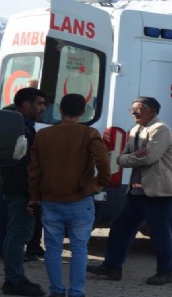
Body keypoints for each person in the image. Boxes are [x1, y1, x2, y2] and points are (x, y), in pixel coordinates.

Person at [87, 96, 172, 285]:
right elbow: (122, 158)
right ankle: (112, 267)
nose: (134, 112)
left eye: (139, 109)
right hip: (136, 193)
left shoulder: (160, 129)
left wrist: (130, 158)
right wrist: (130, 157)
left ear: (152, 111)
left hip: (158, 193)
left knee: (160, 234)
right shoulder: (136, 130)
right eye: (132, 109)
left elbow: (148, 159)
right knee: (120, 228)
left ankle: (166, 272)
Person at [28, 94, 111, 297]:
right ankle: (76, 292)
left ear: (60, 110)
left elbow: (34, 170)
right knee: (79, 248)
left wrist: (34, 196)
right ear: (83, 112)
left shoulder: (43, 135)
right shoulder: (89, 133)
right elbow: (103, 161)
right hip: (80, 198)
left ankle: (56, 290)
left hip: (50, 199)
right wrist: (100, 183)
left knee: (53, 248)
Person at [0, 87, 47, 296]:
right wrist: (32, 194)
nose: (43, 108)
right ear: (26, 104)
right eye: (39, 103)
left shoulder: (16, 123)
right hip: (21, 190)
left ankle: (14, 278)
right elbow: (24, 165)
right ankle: (14, 280)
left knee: (15, 234)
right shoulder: (20, 127)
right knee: (19, 235)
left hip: (13, 188)